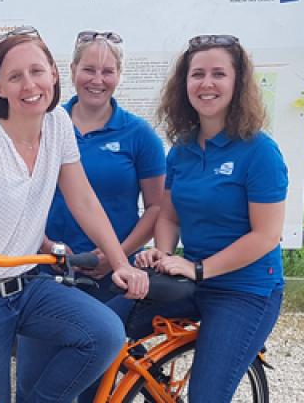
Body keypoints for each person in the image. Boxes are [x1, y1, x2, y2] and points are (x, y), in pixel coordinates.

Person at [0, 26, 150, 402]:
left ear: (54, 75)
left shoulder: (58, 124)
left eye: (37, 71)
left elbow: (83, 199)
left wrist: (119, 261)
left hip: (26, 286)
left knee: (105, 333)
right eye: (15, 76)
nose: (29, 85)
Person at [111, 34, 288, 403]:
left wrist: (199, 269)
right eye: (197, 74)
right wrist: (162, 253)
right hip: (194, 280)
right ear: (184, 84)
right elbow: (169, 215)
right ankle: (154, 385)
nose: (206, 84)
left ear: (238, 83)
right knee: (104, 329)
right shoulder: (183, 150)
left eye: (218, 74)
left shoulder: (260, 152)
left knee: (206, 395)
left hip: (245, 289)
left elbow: (266, 236)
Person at [41, 30, 166, 298]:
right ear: (72, 70)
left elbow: (157, 207)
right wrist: (46, 246)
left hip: (116, 277)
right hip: (49, 269)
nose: (97, 80)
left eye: (107, 71)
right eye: (88, 69)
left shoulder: (139, 134)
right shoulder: (45, 125)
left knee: (112, 338)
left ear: (119, 75)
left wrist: (117, 254)